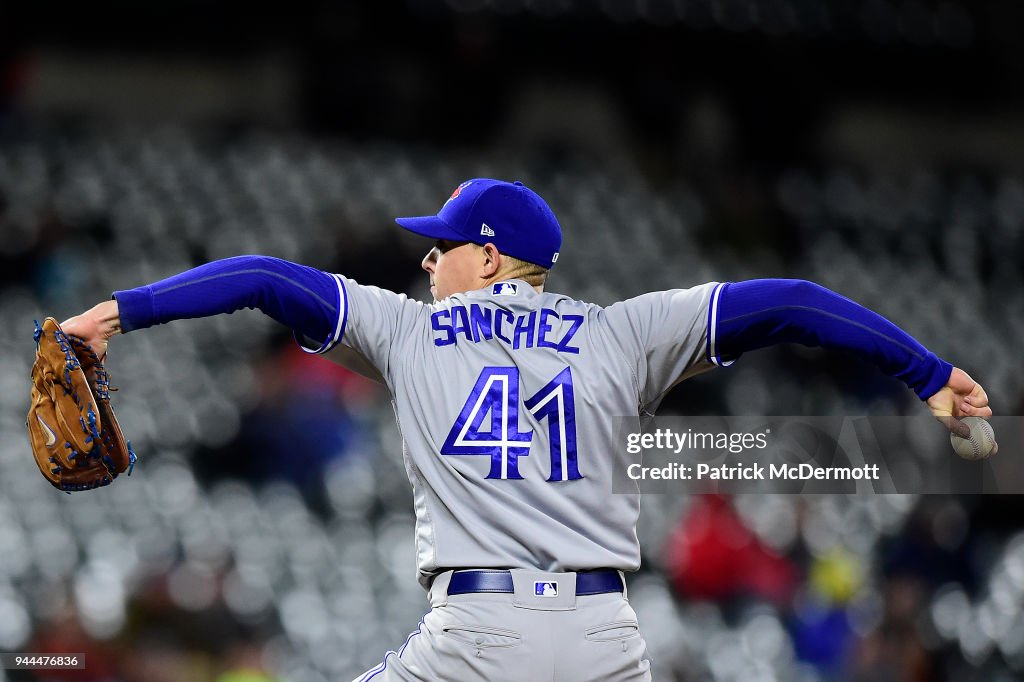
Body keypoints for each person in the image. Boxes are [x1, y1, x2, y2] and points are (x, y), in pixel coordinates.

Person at [62, 178, 992, 681]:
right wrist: (928, 374)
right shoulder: (626, 330)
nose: (427, 259)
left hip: (478, 636)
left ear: (492, 255)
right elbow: (790, 300)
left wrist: (117, 314)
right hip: (602, 639)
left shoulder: (406, 328)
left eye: (444, 243)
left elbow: (263, 276)